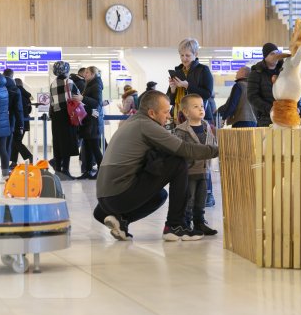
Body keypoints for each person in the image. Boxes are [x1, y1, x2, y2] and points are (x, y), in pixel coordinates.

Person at [92, 90, 218, 241]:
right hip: (119, 196)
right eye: (166, 112)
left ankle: (121, 220)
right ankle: (175, 226)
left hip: (104, 201)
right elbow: (185, 149)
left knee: (159, 196)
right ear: (152, 113)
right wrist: (221, 150)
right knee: (178, 162)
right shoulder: (146, 125)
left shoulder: (133, 121)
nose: (169, 116)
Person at [174, 94, 219, 235]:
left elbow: (212, 145)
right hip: (189, 171)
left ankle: (199, 222)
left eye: (202, 106)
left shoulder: (207, 127)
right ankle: (186, 224)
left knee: (201, 198)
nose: (201, 109)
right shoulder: (181, 130)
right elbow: (180, 150)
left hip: (205, 170)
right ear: (186, 112)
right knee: (190, 199)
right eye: (195, 107)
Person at [167, 38, 214, 125]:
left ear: (195, 54)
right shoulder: (178, 71)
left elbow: (207, 94)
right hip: (179, 117)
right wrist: (172, 89)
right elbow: (171, 101)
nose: (184, 58)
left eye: (187, 55)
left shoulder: (203, 70)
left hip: (199, 117)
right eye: (182, 55)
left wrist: (187, 86)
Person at [49, 61, 82, 180]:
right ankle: (66, 171)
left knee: (57, 142)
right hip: (67, 115)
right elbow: (77, 97)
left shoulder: (52, 83)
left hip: (56, 116)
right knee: (67, 143)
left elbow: (52, 102)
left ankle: (58, 170)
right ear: (66, 70)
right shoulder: (69, 82)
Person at [247, 43, 286, 127]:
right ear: (265, 56)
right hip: (266, 119)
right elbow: (252, 96)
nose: (276, 56)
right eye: (272, 54)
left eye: (277, 53)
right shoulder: (256, 73)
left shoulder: (284, 71)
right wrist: (270, 109)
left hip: (285, 117)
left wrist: (297, 107)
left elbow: (292, 89)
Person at [77, 66, 104, 180]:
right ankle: (87, 171)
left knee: (94, 148)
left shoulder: (96, 85)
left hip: (93, 122)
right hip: (88, 121)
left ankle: (102, 172)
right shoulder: (89, 84)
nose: (85, 74)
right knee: (87, 148)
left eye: (87, 72)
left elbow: (96, 103)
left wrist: (82, 98)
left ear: (93, 74)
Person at [2, 69, 23, 170]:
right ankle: (5, 170)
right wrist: (21, 124)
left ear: (3, 75)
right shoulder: (15, 89)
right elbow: (18, 110)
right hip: (10, 121)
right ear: (12, 76)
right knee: (7, 145)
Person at [10, 78, 33, 166]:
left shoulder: (15, 93)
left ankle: (29, 156)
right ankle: (14, 162)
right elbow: (29, 110)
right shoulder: (26, 95)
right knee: (16, 141)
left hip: (17, 121)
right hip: (25, 121)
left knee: (16, 141)